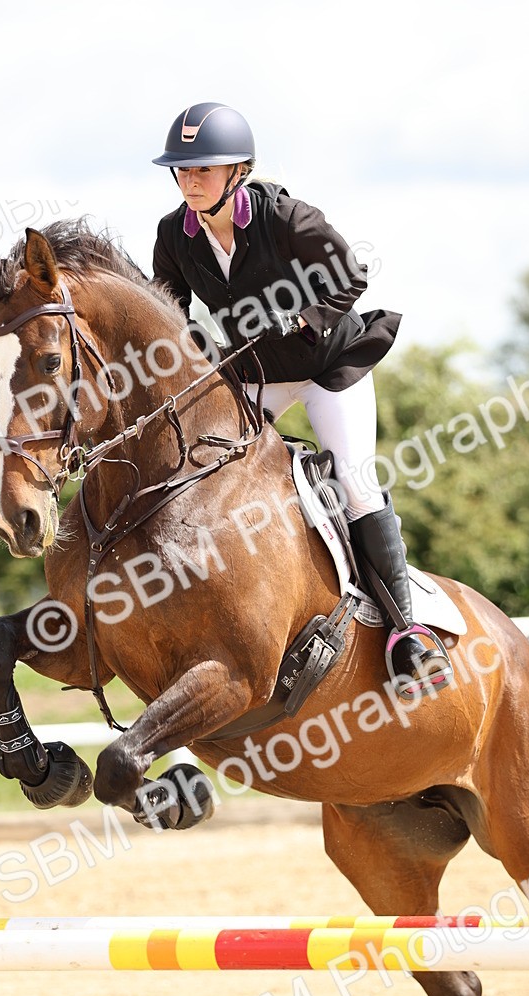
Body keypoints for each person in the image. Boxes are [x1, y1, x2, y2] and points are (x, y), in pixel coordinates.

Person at [151, 101, 452, 695]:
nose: (190, 182)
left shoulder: (284, 216)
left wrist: (305, 318)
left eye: (202, 171)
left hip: (328, 367)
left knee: (355, 482)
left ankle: (407, 634)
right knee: (210, 472)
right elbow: (168, 308)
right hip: (258, 373)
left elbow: (350, 276)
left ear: (238, 171)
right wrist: (191, 352)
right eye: (182, 172)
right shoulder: (174, 235)